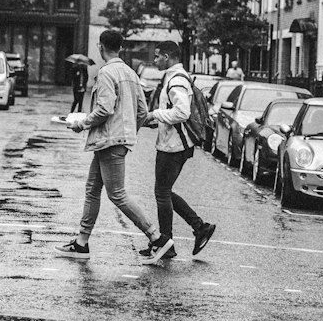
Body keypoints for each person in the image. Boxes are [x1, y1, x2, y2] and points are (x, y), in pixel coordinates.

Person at [57, 28, 171, 262]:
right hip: (114, 140)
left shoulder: (106, 73)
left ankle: (157, 238)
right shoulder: (130, 73)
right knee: (92, 189)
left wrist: (82, 123)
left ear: (100, 47)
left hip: (109, 141)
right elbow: (142, 111)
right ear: (120, 48)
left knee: (117, 194)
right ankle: (81, 243)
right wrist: (129, 130)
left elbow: (104, 108)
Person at [144, 41, 216, 258]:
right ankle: (197, 228)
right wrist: (157, 120)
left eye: (157, 56)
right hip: (175, 143)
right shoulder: (177, 77)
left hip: (174, 146)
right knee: (163, 191)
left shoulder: (176, 81)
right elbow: (173, 113)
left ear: (167, 56)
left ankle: (167, 244)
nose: (155, 60)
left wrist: (155, 115)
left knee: (162, 192)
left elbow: (182, 113)